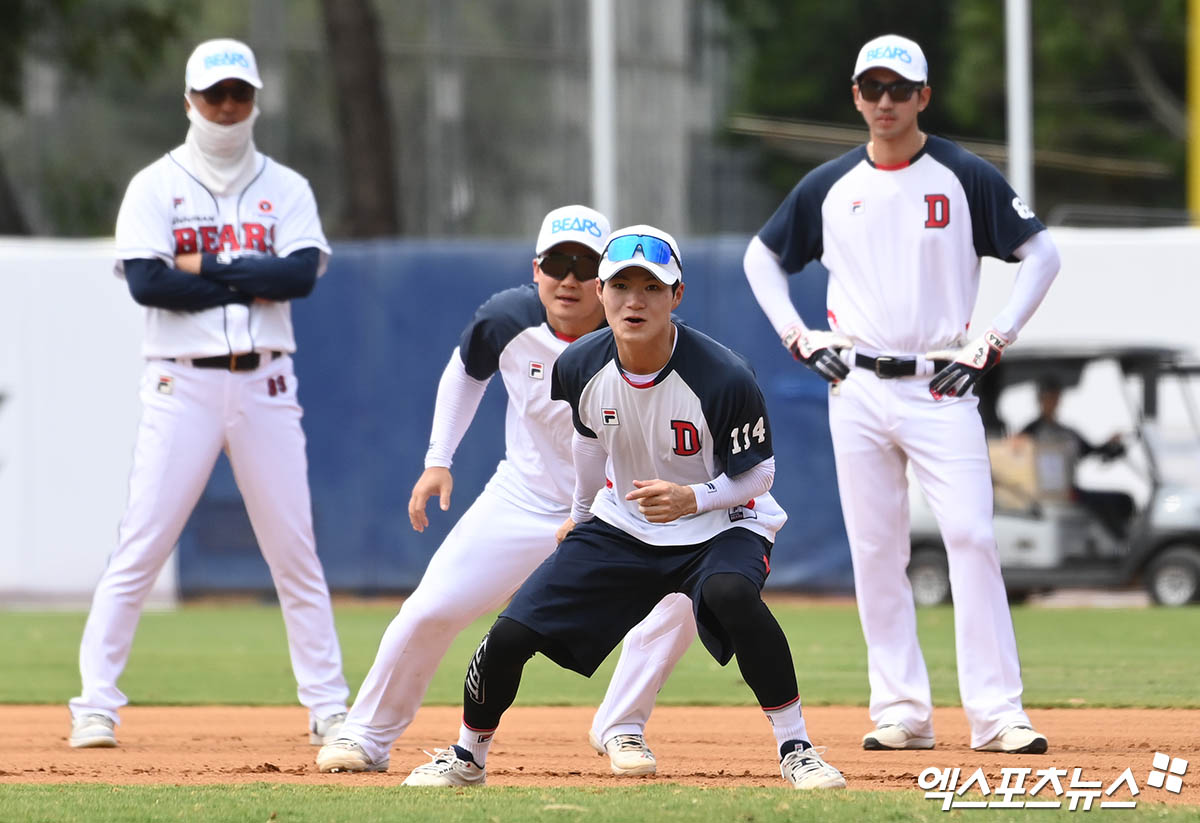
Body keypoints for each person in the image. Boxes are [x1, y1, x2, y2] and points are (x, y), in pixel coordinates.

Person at [400, 225, 846, 790]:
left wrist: (693, 498)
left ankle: (797, 748)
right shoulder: (579, 365)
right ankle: (467, 758)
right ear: (601, 292)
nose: (634, 301)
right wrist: (581, 516)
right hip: (623, 522)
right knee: (511, 635)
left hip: (722, 523)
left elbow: (760, 473)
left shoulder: (724, 375)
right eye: (621, 285)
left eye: (652, 288)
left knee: (728, 593)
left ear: (676, 295)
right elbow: (589, 446)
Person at [743, 34, 1061, 754]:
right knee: (876, 547)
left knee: (973, 536)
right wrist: (797, 335)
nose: (885, 101)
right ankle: (902, 708)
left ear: (924, 95)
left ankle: (997, 711)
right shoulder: (830, 185)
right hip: (853, 383)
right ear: (856, 96)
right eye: (872, 88)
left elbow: (1043, 253)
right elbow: (760, 256)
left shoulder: (961, 173)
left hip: (940, 382)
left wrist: (994, 337)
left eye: (899, 88)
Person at [316, 207, 696, 776]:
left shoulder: (644, 335)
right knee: (430, 608)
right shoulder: (507, 318)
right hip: (524, 496)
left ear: (604, 280)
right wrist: (437, 461)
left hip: (621, 510)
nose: (569, 279)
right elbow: (464, 372)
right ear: (536, 269)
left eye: (585, 265)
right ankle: (366, 734)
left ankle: (621, 726)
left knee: (682, 597)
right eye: (556, 263)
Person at [68, 38, 349, 748]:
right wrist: (246, 271)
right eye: (214, 93)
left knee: (295, 551)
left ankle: (329, 705)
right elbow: (148, 283)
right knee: (140, 546)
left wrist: (205, 263)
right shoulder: (153, 185)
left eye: (239, 94)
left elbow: (298, 278)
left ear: (255, 100)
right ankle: (95, 703)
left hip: (267, 381)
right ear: (189, 100)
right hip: (180, 381)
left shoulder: (287, 187)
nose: (227, 107)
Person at [1021, 375, 1133, 537]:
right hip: (1045, 494)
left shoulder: (1067, 433)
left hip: (1067, 490)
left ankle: (1120, 544)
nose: (1052, 402)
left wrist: (1109, 445)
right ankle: (1121, 542)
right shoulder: (1029, 433)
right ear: (1040, 400)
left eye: (1055, 397)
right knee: (1106, 504)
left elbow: (1091, 450)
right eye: (1048, 397)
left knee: (1123, 500)